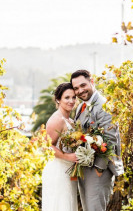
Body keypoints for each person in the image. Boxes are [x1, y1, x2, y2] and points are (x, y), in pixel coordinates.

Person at [70, 69, 124, 211]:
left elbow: (111, 139)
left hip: (99, 169)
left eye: (83, 85)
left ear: (91, 82)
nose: (80, 91)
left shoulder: (103, 105)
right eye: (76, 88)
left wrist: (99, 168)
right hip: (85, 167)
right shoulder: (80, 107)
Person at [42, 82, 78, 211]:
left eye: (74, 97)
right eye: (67, 97)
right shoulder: (56, 119)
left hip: (69, 172)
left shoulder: (71, 120)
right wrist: (68, 157)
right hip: (58, 171)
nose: (71, 101)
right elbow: (47, 146)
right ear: (58, 99)